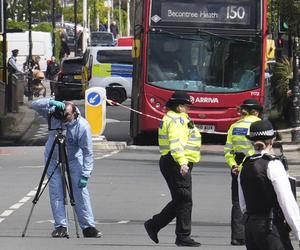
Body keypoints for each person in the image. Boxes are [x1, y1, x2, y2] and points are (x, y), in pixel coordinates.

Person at [31, 98, 102, 238]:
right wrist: (50, 102)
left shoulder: (82, 126)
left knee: (80, 192)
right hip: (53, 158)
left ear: (74, 114)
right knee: (56, 191)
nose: (63, 118)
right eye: (61, 114)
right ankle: (61, 226)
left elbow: (87, 152)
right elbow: (33, 104)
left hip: (73, 159)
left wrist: (86, 174)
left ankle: (88, 227)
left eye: (67, 115)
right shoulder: (54, 114)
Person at [144, 91, 202, 247]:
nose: (189, 109)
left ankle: (155, 225)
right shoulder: (176, 120)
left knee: (181, 199)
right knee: (184, 200)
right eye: (187, 106)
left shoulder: (175, 117)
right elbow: (176, 143)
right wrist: (183, 162)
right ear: (179, 106)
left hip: (175, 161)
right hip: (176, 162)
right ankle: (182, 236)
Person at [238, 120, 300, 249]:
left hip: (251, 227)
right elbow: (287, 203)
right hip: (271, 228)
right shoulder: (273, 165)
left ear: (252, 141)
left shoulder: (245, 165)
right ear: (272, 141)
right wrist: (299, 233)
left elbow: (243, 204)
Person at [224, 98, 262, 246]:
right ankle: (253, 235)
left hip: (236, 166)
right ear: (256, 111)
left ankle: (237, 237)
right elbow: (256, 149)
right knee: (256, 200)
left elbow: (228, 150)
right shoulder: (258, 125)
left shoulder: (234, 126)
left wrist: (234, 165)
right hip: (255, 164)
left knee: (237, 201)